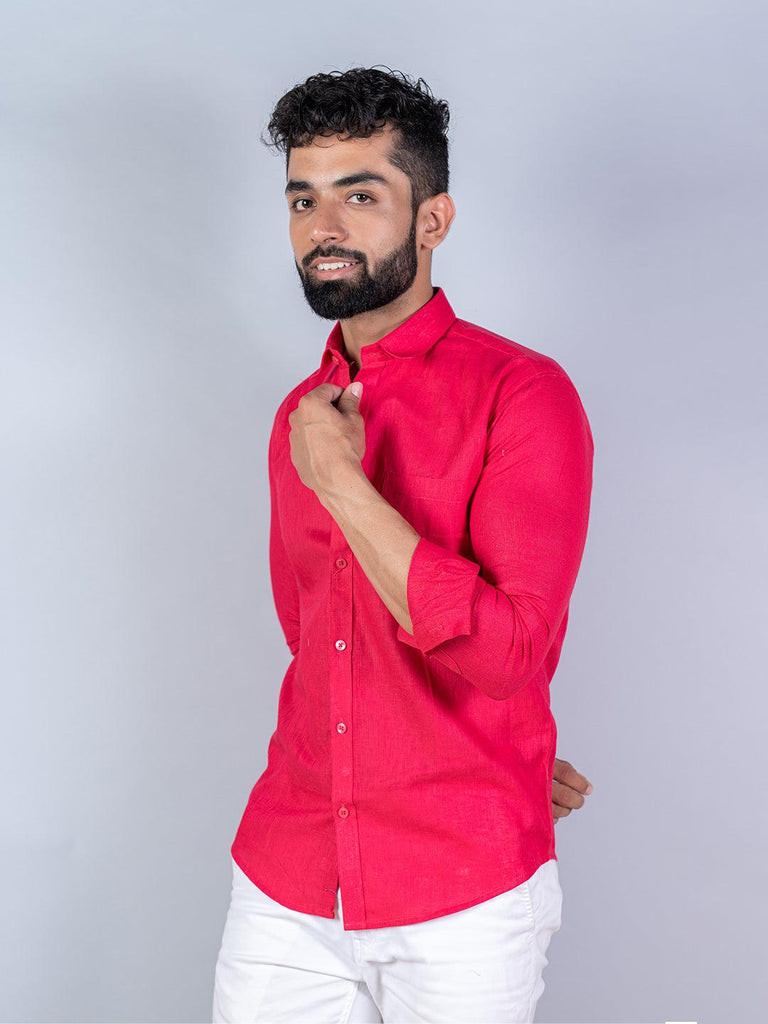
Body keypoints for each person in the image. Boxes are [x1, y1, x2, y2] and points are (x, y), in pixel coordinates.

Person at [213, 66, 595, 1023]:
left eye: (360, 196)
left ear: (433, 219)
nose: (323, 227)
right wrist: (491, 744)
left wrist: (342, 483)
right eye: (303, 199)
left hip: (461, 889)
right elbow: (313, 638)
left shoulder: (522, 394)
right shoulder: (299, 415)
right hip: (290, 872)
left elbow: (508, 655)